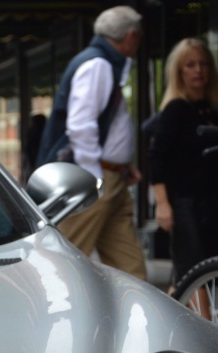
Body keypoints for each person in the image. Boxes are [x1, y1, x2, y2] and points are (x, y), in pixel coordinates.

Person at [36, 6, 148, 281]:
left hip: (111, 176)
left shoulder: (103, 62)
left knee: (131, 270)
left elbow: (103, 124)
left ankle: (134, 319)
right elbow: (81, 126)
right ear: (131, 36)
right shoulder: (98, 64)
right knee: (63, 264)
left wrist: (122, 165)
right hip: (98, 178)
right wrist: (95, 177)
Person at [148, 38, 218, 284]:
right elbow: (156, 156)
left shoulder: (215, 111)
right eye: (190, 64)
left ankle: (176, 318)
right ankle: (203, 323)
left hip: (216, 201)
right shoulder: (176, 109)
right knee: (195, 272)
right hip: (186, 203)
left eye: (203, 64)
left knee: (198, 273)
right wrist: (162, 204)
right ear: (179, 71)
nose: (198, 70)